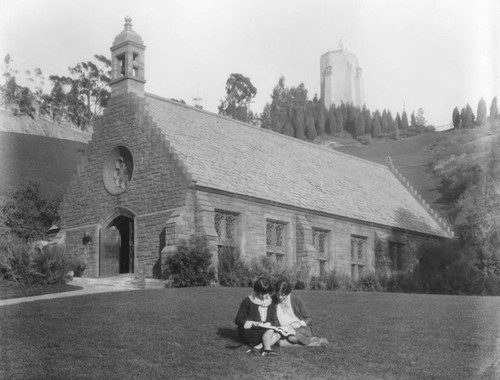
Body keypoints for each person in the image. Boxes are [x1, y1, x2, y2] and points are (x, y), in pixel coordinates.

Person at [274, 278, 329, 348]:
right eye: (278, 294)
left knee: (292, 338)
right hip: (284, 330)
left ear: (288, 293)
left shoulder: (297, 300)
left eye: (283, 295)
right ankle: (313, 342)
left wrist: (299, 323)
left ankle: (310, 340)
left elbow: (309, 318)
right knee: (281, 343)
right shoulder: (273, 300)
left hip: (301, 329)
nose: (280, 297)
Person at [235, 277, 282, 356]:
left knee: (278, 335)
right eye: (261, 294)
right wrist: (252, 323)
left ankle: (258, 348)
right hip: (249, 332)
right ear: (256, 291)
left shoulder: (271, 302)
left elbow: (271, 319)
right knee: (271, 333)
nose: (264, 297)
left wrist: (269, 323)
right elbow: (238, 319)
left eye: (266, 294)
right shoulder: (248, 301)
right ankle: (266, 349)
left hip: (262, 331)